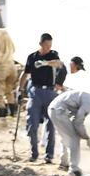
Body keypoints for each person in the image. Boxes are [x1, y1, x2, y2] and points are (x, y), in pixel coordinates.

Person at [17, 33, 63, 162]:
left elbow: (58, 64)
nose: (48, 48)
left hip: (50, 92)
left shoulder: (53, 54)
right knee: (32, 124)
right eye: (46, 45)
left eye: (50, 45)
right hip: (35, 92)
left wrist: (45, 63)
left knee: (51, 125)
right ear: (41, 43)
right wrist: (20, 90)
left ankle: (49, 156)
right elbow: (25, 74)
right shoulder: (32, 57)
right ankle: (34, 153)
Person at [48, 90, 90, 176]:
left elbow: (76, 120)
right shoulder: (89, 104)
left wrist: (85, 136)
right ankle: (74, 169)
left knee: (66, 137)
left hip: (55, 108)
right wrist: (87, 138)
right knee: (74, 138)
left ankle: (64, 163)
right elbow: (78, 122)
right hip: (59, 111)